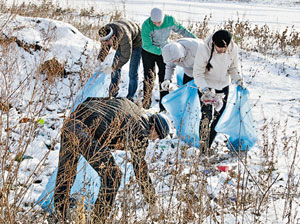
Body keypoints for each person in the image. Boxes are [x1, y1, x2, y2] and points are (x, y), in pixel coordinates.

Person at [53, 97, 170, 223]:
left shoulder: (132, 106)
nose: (154, 140)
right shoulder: (141, 131)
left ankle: (61, 211)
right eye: (157, 137)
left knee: (67, 170)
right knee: (113, 176)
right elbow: (140, 170)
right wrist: (152, 201)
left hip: (73, 121)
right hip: (83, 132)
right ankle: (98, 220)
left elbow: (91, 100)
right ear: (154, 129)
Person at [193, 29, 244, 150]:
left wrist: (238, 80)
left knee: (218, 117)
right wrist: (205, 90)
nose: (221, 50)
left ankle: (208, 144)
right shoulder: (203, 49)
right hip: (207, 85)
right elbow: (198, 73)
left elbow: (234, 67)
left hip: (222, 85)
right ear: (213, 43)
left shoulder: (233, 49)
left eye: (223, 49)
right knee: (206, 116)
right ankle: (202, 146)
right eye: (218, 48)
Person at [141, 7, 196, 111]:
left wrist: (195, 40)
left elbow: (182, 30)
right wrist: (164, 51)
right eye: (154, 22)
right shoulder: (146, 25)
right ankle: (146, 102)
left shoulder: (170, 20)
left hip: (164, 49)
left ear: (163, 18)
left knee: (164, 76)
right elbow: (147, 45)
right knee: (149, 76)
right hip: (149, 52)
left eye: (159, 22)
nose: (157, 24)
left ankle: (164, 105)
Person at [98, 20, 142, 100]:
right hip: (121, 39)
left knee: (133, 72)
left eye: (107, 41)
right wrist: (100, 61)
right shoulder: (106, 32)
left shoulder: (125, 37)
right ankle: (112, 93)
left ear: (113, 36)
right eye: (103, 41)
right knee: (115, 69)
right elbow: (105, 48)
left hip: (136, 42)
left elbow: (125, 56)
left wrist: (112, 68)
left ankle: (130, 97)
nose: (106, 43)